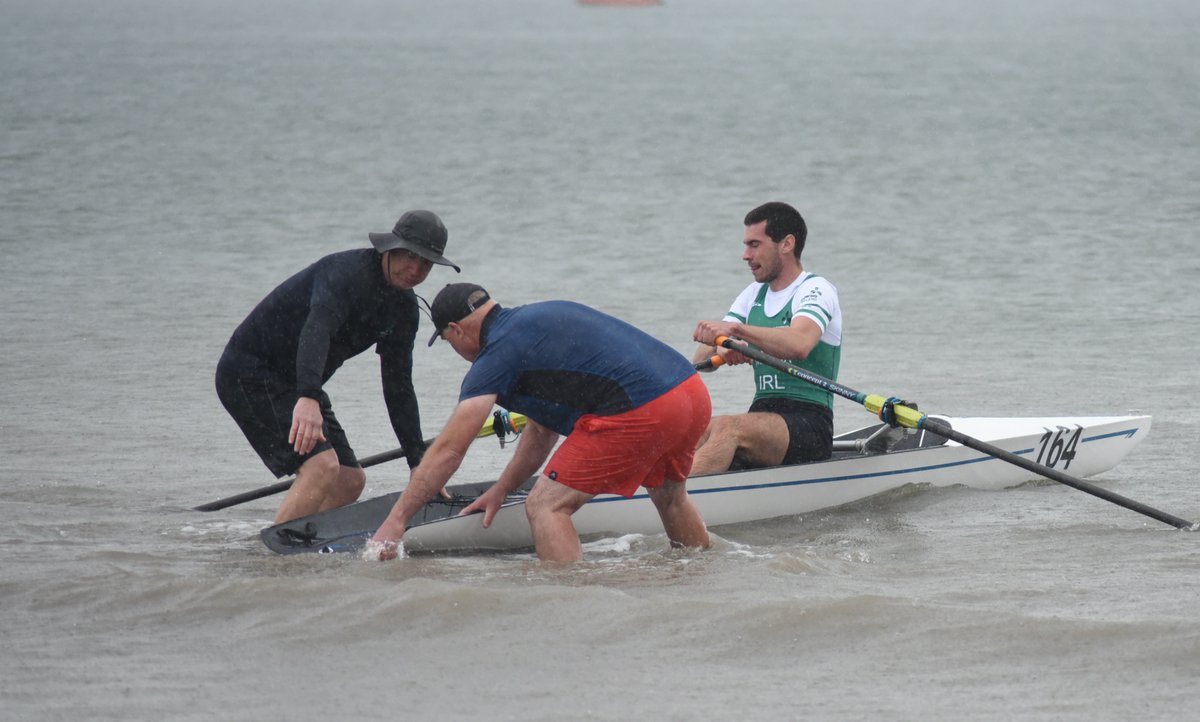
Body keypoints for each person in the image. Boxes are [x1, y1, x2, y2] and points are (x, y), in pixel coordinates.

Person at [368, 283, 712, 562]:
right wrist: (501, 490)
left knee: (546, 505)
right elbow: (541, 431)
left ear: (456, 330)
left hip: (645, 409)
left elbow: (449, 449)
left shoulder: (494, 358)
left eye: (447, 341)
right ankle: (699, 572)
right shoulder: (536, 320)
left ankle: (570, 603)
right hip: (690, 393)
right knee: (669, 495)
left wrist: (396, 522)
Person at [215, 210, 458, 523]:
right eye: (409, 257)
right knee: (322, 466)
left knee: (348, 480)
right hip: (250, 373)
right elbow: (316, 331)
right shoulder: (344, 274)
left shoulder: (404, 311)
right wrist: (308, 397)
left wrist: (417, 462)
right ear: (390, 248)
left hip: (299, 383)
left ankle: (299, 542)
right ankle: (278, 559)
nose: (415, 269)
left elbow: (398, 386)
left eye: (426, 263)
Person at [690, 201, 842, 473]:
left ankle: (674, 506)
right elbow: (701, 358)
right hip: (763, 417)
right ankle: (643, 495)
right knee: (691, 433)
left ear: (786, 244)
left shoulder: (816, 290)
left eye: (754, 245)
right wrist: (725, 349)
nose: (745, 255)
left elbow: (799, 344)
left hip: (809, 424)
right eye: (746, 245)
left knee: (727, 427)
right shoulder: (752, 295)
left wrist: (737, 332)